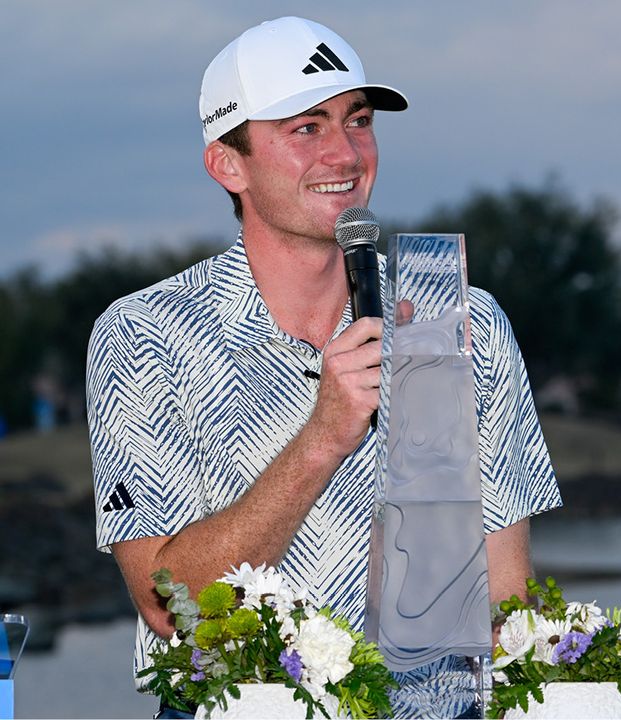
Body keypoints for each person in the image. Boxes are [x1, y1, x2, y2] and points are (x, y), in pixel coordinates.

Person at [87, 16, 560, 715]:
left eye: (359, 120)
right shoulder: (145, 333)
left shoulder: (462, 318)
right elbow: (168, 608)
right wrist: (325, 436)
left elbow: (506, 596)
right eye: (306, 128)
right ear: (228, 163)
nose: (345, 152)